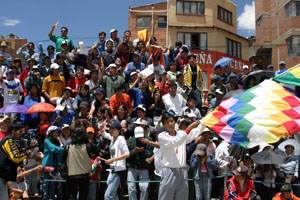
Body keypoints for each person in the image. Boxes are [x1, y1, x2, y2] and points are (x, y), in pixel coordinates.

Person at [157, 112, 204, 200]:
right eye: (167, 122)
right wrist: (189, 128)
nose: (170, 124)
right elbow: (175, 142)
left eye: (171, 121)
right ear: (163, 124)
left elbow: (194, 133)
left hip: (182, 170)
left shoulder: (181, 134)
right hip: (169, 171)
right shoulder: (162, 136)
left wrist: (204, 122)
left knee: (182, 197)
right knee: (165, 197)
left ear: (175, 122)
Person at [65, 127, 100, 200]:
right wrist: (88, 141)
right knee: (83, 196)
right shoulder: (87, 145)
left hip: (71, 174)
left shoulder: (68, 146)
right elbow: (97, 150)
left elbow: (63, 159)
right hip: (84, 174)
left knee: (72, 195)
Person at [98, 121, 130, 200]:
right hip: (113, 169)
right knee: (113, 195)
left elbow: (127, 154)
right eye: (110, 128)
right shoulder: (113, 138)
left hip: (119, 170)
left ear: (118, 130)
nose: (110, 130)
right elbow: (104, 134)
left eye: (113, 128)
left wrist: (113, 159)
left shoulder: (120, 139)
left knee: (108, 195)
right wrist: (101, 129)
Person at [0, 122, 31, 200]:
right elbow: (15, 157)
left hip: (4, 177)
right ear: (13, 131)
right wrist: (27, 153)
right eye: (20, 131)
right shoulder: (9, 140)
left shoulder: (11, 141)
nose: (21, 134)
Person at [127, 126, 154, 200]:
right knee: (131, 187)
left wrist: (143, 151)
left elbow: (151, 153)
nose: (139, 138)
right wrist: (134, 151)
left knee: (144, 188)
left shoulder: (149, 140)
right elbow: (126, 154)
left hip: (144, 167)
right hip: (132, 167)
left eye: (140, 136)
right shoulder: (130, 140)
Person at [42, 126, 63, 200]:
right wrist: (63, 148)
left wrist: (59, 164)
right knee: (46, 183)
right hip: (48, 165)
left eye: (57, 132)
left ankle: (51, 198)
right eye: (55, 132)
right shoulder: (46, 141)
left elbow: (59, 154)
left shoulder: (57, 142)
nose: (57, 134)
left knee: (54, 184)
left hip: (55, 165)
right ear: (51, 133)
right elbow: (52, 149)